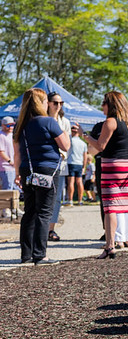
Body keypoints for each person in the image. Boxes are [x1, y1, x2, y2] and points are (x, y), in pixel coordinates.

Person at [79, 91, 128, 258]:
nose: (102, 106)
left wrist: (84, 135)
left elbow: (100, 146)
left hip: (112, 167)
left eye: (104, 103)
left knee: (110, 208)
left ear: (111, 104)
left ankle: (110, 246)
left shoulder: (110, 122)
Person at [12, 88, 70, 265]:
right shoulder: (49, 122)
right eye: (46, 101)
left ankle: (26, 255)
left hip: (26, 170)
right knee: (44, 212)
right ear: (41, 103)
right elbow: (66, 145)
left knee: (29, 211)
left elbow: (17, 154)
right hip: (47, 171)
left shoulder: (19, 125)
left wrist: (17, 174)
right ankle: (40, 254)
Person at [46, 91, 71, 241]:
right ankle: (41, 228)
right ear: (48, 103)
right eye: (55, 103)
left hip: (61, 164)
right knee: (43, 196)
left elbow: (67, 144)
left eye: (61, 103)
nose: (58, 106)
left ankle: (51, 229)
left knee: (56, 198)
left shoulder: (64, 122)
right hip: (46, 163)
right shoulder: (42, 119)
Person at [64, 123, 88, 206]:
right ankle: (80, 200)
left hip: (71, 162)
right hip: (79, 164)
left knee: (71, 182)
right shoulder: (83, 143)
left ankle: (70, 200)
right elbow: (85, 156)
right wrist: (84, 166)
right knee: (79, 182)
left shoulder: (70, 141)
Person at [0, 116, 16, 191]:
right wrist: (10, 161)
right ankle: (4, 203)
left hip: (13, 167)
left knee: (15, 189)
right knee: (7, 190)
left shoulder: (12, 135)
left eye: (12, 125)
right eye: (8, 125)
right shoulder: (1, 136)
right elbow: (1, 152)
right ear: (3, 125)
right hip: (5, 167)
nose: (10, 127)